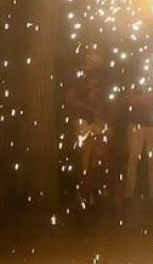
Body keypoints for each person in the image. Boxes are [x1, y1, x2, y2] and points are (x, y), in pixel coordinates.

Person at [64, 46, 111, 205]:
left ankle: (91, 193)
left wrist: (103, 114)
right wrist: (90, 108)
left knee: (98, 157)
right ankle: (82, 195)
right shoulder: (77, 77)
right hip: (82, 121)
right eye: (91, 58)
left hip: (98, 121)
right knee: (85, 158)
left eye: (96, 58)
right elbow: (70, 99)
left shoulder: (100, 78)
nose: (94, 61)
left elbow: (104, 99)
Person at [123, 79, 153, 201]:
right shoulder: (135, 80)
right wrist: (147, 100)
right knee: (133, 157)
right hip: (136, 124)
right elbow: (129, 99)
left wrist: (142, 100)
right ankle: (129, 192)